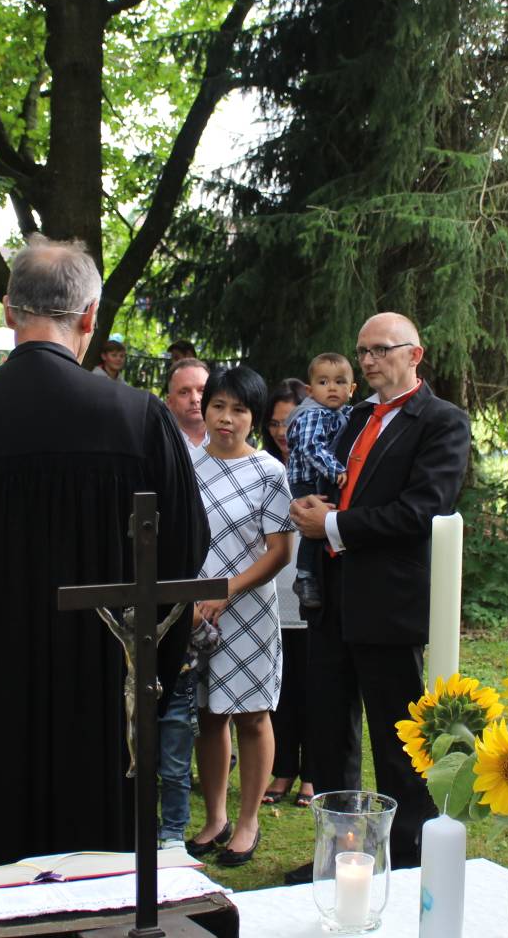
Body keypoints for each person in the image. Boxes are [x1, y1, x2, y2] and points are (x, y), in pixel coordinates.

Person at [0, 234, 207, 875]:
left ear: (8, 310)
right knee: (97, 883)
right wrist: (147, 680)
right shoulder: (140, 421)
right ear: (89, 318)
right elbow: (179, 562)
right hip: (102, 695)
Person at [286, 312, 472, 876]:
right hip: (332, 596)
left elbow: (424, 510)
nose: (367, 361)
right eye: (362, 351)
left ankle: (409, 860)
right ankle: (340, 858)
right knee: (330, 735)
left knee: (398, 742)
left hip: (389, 602)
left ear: (415, 354)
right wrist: (312, 510)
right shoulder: (356, 416)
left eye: (380, 351)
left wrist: (335, 525)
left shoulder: (442, 421)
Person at [185, 367, 293, 868]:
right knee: (208, 716)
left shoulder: (270, 472)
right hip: (193, 611)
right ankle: (214, 817)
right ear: (204, 409)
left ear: (255, 417)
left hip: (247, 608)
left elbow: (279, 552)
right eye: (218, 407)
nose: (226, 419)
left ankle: (248, 821)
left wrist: (226, 591)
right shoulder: (185, 464)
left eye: (240, 410)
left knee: (250, 715)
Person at [262, 381, 324, 809]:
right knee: (280, 693)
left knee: (317, 691)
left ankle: (314, 776)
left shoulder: (323, 467)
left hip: (314, 593)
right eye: (276, 422)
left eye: (291, 421)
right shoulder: (262, 467)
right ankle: (282, 770)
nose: (284, 430)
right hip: (272, 595)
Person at [285, 354, 358, 610]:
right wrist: (334, 468)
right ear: (310, 389)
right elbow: (310, 446)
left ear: (352, 389)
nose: (332, 388)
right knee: (315, 524)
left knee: (325, 522)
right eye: (323, 382)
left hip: (321, 478)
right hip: (306, 480)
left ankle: (314, 573)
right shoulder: (313, 415)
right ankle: (304, 576)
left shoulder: (344, 413)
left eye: (340, 382)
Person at [165, 358, 209, 455]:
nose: (195, 399)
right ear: (169, 402)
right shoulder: (157, 445)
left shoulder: (231, 442)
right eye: (184, 392)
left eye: (202, 390)